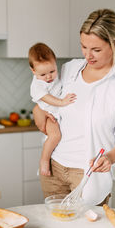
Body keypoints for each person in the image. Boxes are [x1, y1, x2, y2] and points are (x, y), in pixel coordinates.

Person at [33, 9, 115, 206]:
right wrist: (38, 111)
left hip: (88, 174)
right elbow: (44, 101)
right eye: (83, 46)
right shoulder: (69, 69)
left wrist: (110, 157)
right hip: (54, 168)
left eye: (96, 50)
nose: (88, 55)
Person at [29, 43, 76, 176]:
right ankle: (44, 160)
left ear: (56, 64)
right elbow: (48, 98)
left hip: (56, 112)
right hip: (50, 114)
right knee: (55, 135)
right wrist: (62, 102)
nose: (49, 77)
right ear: (33, 71)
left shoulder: (53, 76)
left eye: (52, 71)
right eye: (43, 74)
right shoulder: (37, 85)